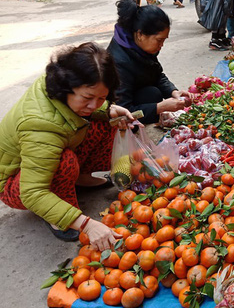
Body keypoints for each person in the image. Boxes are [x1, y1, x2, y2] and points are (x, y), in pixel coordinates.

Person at [0, 42, 135, 248]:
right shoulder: (39, 125)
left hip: (44, 157)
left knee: (109, 123)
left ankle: (78, 179)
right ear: (66, 87)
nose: (94, 105)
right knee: (64, 162)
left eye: (101, 98)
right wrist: (87, 225)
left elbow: (92, 105)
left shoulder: (59, 87)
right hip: (15, 184)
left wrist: (109, 109)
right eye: (88, 98)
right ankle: (58, 219)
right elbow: (32, 192)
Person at [107, 0, 189, 124]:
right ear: (140, 35)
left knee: (153, 93)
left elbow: (157, 74)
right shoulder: (119, 61)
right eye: (159, 40)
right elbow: (124, 110)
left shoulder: (140, 45)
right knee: (152, 95)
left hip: (138, 92)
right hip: (122, 113)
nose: (162, 45)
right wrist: (159, 107)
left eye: (164, 40)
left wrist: (173, 92)